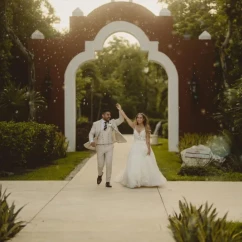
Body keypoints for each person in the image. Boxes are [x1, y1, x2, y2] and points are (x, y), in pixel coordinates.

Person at [115, 103, 167, 189]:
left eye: (140, 118)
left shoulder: (146, 127)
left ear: (143, 119)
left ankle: (144, 180)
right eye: (138, 117)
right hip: (135, 147)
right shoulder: (134, 125)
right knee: (134, 164)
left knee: (145, 164)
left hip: (143, 147)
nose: (139, 119)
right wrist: (120, 110)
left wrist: (149, 148)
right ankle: (134, 181)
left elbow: (147, 139)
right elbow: (126, 118)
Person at [88, 109, 127, 188]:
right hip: (99, 146)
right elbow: (91, 133)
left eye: (110, 115)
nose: (109, 116)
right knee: (100, 164)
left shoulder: (113, 122)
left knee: (109, 163)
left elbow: (121, 119)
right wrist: (91, 141)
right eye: (107, 114)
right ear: (103, 115)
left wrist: (120, 109)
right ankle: (100, 175)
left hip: (109, 146)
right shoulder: (96, 124)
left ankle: (108, 181)